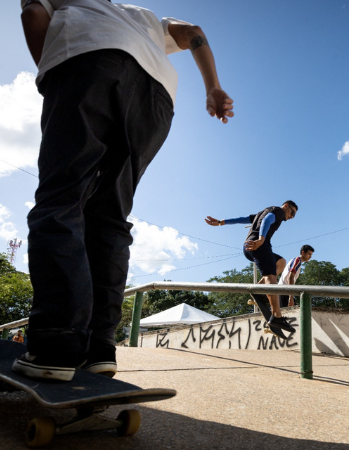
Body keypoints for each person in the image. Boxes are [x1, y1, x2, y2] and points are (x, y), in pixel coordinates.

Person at [15, 0, 234, 382]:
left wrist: (52, 71)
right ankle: (100, 348)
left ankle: (56, 346)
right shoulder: (143, 16)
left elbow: (33, 14)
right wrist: (213, 87)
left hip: (89, 64)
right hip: (157, 97)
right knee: (110, 218)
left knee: (61, 201)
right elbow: (193, 31)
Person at [205, 201, 298, 331]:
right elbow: (267, 220)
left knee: (281, 262)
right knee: (271, 278)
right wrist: (261, 239)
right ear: (286, 206)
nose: (291, 217)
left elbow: (242, 219)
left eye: (294, 216)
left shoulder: (262, 212)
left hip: (247, 247)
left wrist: (221, 222)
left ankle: (259, 290)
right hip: (258, 245)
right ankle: (277, 316)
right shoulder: (278, 212)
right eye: (292, 212)